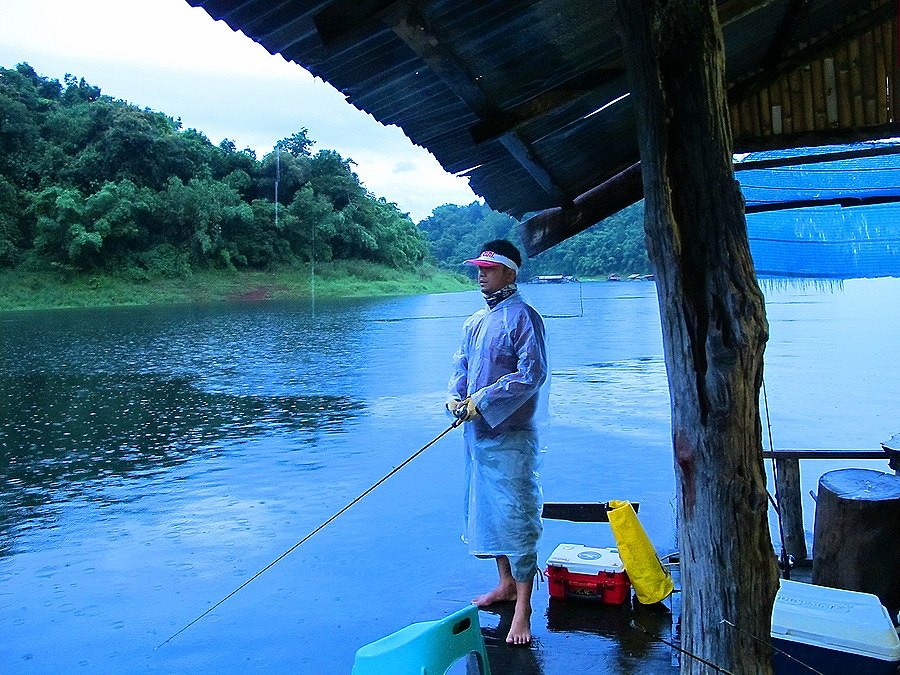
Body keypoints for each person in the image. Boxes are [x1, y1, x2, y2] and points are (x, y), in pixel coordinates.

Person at [446, 239, 549, 646]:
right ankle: (505, 583)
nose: (480, 275)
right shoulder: (475, 321)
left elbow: (531, 374)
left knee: (516, 513)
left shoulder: (523, 318)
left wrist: (484, 399)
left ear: (510, 272)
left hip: (511, 435)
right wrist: (456, 397)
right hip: (478, 435)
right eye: (478, 269)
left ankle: (522, 607)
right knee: (488, 511)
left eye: (488, 269)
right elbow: (462, 365)